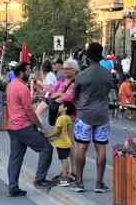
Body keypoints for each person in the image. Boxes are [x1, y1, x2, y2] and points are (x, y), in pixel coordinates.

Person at [6, 61, 54, 197]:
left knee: (15, 157)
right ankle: (39, 180)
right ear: (21, 72)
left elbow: (18, 103)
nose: (30, 74)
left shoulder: (11, 85)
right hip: (24, 126)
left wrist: (33, 98)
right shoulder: (23, 88)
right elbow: (29, 111)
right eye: (28, 71)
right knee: (46, 148)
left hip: (12, 126)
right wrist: (40, 126)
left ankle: (13, 187)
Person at [71, 43, 113, 194]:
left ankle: (79, 182)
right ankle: (99, 183)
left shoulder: (82, 75)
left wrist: (80, 105)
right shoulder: (107, 74)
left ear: (88, 57)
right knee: (101, 148)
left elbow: (74, 95)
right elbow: (109, 91)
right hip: (102, 114)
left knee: (81, 147)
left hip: (84, 114)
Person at [46, 101, 75, 187]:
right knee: (65, 159)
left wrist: (48, 136)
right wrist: (71, 142)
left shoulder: (60, 118)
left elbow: (57, 132)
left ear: (65, 108)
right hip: (67, 142)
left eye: (61, 106)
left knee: (63, 160)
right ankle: (67, 174)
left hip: (61, 143)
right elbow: (69, 132)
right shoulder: (68, 118)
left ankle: (64, 178)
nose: (59, 107)